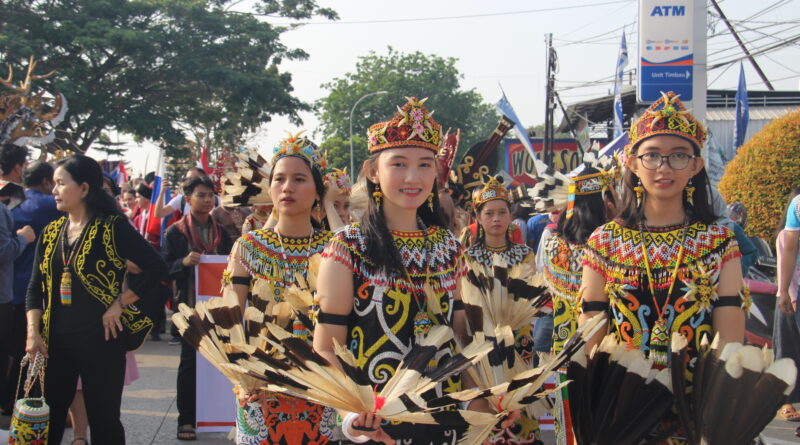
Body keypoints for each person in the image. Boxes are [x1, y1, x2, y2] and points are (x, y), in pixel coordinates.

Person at [579, 92, 745, 441]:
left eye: (678, 156)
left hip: (694, 409)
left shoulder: (718, 244)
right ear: (633, 163)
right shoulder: (604, 243)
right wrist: (587, 407)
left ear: (696, 166)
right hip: (620, 407)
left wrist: (721, 413)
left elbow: (730, 340)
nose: (664, 167)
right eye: (652, 155)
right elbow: (592, 331)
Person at [314, 97, 476, 443]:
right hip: (375, 424)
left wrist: (481, 400)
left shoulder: (451, 247)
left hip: (442, 419)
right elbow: (327, 347)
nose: (413, 177)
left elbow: (463, 340)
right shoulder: (348, 247)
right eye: (398, 164)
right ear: (374, 171)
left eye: (425, 165)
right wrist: (352, 413)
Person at [25, 154, 168, 445]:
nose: (54, 191)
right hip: (55, 344)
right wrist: (32, 332)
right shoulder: (50, 233)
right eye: (53, 184)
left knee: (105, 421)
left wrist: (121, 302)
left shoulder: (112, 226)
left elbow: (156, 268)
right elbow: (34, 287)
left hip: (102, 340)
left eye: (61, 184)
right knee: (49, 420)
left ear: (85, 189)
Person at [224, 133, 337, 444]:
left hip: (322, 383)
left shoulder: (335, 249)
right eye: (279, 179)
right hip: (260, 386)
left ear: (318, 191)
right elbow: (230, 318)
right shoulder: (248, 247)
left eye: (299, 179)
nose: (287, 187)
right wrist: (243, 377)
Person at [533, 158, 618, 445]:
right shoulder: (608, 247)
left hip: (558, 346)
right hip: (600, 349)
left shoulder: (551, 241)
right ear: (603, 202)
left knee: (556, 422)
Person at [464, 175, 541, 445]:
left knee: (519, 398)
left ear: (510, 216)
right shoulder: (468, 257)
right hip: (483, 340)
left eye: (502, 212)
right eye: (489, 213)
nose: (496, 218)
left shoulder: (524, 254)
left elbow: (532, 296)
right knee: (488, 397)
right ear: (478, 217)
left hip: (519, 339)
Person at [162, 175, 234, 441]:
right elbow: (163, 267)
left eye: (210, 196)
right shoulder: (176, 232)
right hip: (189, 307)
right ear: (188, 198)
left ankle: (220, 414)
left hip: (217, 308)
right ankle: (186, 420)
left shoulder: (222, 232)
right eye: (201, 195)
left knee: (221, 361)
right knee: (189, 363)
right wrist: (183, 262)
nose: (206, 200)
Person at [3, 161, 61, 414]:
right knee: (35, 352)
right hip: (39, 289)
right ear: (48, 182)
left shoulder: (12, 204)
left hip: (11, 288)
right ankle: (28, 405)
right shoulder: (50, 205)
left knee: (14, 352)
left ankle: (10, 403)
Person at [774, 189, 800, 431]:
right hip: (795, 295)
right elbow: (789, 251)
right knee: (787, 351)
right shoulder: (798, 205)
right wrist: (785, 293)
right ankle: (785, 402)